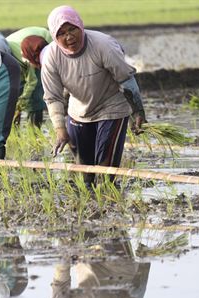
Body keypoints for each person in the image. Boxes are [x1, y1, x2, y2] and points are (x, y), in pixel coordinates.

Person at [41, 6, 147, 188]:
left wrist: (137, 111)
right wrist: (60, 129)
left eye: (72, 29)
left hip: (111, 107)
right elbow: (53, 97)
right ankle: (90, 207)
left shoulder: (103, 45)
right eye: (62, 33)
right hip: (79, 110)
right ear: (54, 36)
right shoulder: (51, 57)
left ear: (80, 26)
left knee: (105, 171)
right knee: (86, 173)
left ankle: (109, 206)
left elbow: (126, 80)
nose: (69, 37)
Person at [5, 27, 52, 129]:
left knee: (35, 93)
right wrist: (18, 106)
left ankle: (35, 127)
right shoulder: (4, 62)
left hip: (39, 43)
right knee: (19, 90)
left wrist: (22, 102)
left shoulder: (26, 55)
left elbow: (32, 81)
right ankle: (15, 126)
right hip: (20, 46)